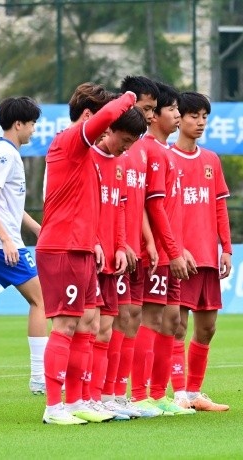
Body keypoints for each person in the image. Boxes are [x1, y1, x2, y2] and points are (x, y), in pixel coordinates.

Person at [37, 83, 137, 425]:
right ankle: (53, 407)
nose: (106, 131)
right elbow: (110, 114)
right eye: (102, 124)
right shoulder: (69, 140)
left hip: (80, 247)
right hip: (61, 246)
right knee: (65, 324)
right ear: (88, 117)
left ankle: (79, 401)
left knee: (88, 324)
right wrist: (130, 99)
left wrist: (97, 239)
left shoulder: (90, 158)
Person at [0, 96, 46, 397]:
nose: (33, 131)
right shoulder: (6, 155)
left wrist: (35, 228)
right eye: (31, 125)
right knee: (42, 300)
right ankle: (40, 377)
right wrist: (6, 239)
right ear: (18, 124)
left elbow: (6, 203)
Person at [128, 81, 195, 416]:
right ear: (154, 117)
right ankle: (139, 395)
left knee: (170, 320)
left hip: (171, 250)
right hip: (154, 253)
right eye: (172, 110)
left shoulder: (165, 152)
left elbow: (169, 209)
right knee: (151, 319)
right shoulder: (147, 150)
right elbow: (147, 206)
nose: (177, 115)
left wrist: (181, 247)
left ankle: (158, 394)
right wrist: (165, 248)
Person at [100, 76, 161, 418]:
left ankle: (118, 392)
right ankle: (103, 392)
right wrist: (120, 242)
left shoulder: (139, 150)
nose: (150, 116)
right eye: (146, 108)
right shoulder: (112, 150)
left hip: (132, 247)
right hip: (111, 248)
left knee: (131, 317)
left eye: (153, 110)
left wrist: (147, 241)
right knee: (112, 319)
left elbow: (136, 204)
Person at [169, 91, 231, 411]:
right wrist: (176, 249)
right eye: (194, 115)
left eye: (205, 116)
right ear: (178, 118)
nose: (200, 122)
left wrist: (227, 249)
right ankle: (179, 393)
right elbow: (158, 211)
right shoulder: (166, 159)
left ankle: (195, 393)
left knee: (207, 328)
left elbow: (220, 207)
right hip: (180, 259)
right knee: (177, 326)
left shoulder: (211, 160)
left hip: (208, 257)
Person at [87, 107, 148, 420]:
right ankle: (86, 397)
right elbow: (86, 210)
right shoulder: (88, 160)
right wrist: (95, 241)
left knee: (108, 328)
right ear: (107, 129)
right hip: (91, 258)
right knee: (89, 327)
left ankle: (108, 395)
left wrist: (123, 244)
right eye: (124, 139)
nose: (127, 147)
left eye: (132, 142)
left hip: (114, 259)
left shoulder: (121, 164)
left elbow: (122, 209)